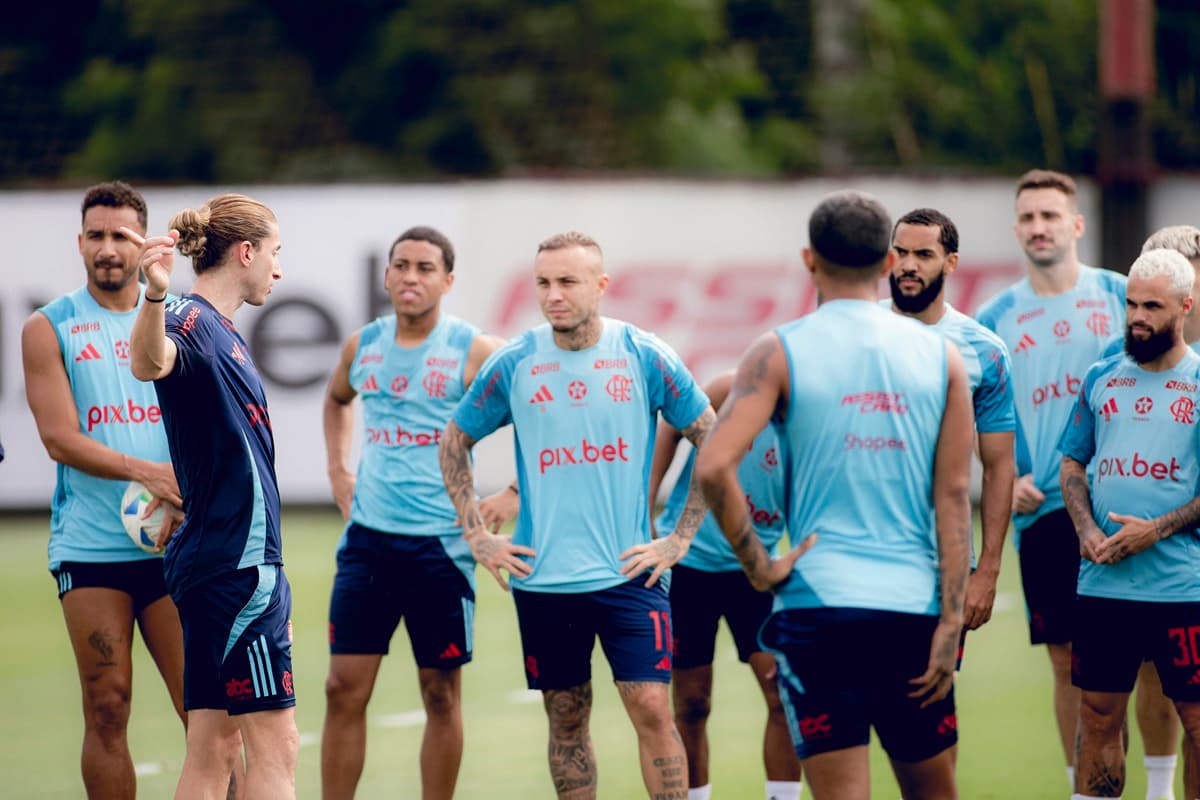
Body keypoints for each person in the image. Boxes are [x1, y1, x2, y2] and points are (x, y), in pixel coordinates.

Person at [696, 190, 974, 800]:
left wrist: (762, 567)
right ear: (885, 264)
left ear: (808, 259)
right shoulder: (944, 357)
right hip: (914, 610)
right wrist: (951, 619)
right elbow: (954, 496)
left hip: (819, 609)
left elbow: (713, 468)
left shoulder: (775, 350)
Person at [439, 231, 716, 800]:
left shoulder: (644, 354)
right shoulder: (514, 362)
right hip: (543, 578)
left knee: (652, 708)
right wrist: (477, 536)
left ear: (600, 285)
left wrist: (679, 538)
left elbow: (713, 436)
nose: (553, 294)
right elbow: (454, 440)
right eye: (543, 282)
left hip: (630, 573)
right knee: (566, 719)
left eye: (567, 281)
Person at [973, 170, 1174, 794]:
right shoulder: (992, 318)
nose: (1039, 228)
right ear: (1016, 229)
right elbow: (983, 416)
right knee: (1068, 663)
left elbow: (1166, 383)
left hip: (1125, 503)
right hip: (1044, 512)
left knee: (1149, 661)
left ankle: (1161, 788)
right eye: (1028, 218)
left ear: (1076, 224)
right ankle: (1080, 785)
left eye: (1051, 216)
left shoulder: (1125, 295)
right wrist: (1009, 479)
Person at [320, 226, 510, 799]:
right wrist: (338, 470)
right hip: (368, 544)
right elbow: (336, 400)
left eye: (425, 268)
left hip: (441, 548)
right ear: (386, 276)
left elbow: (538, 415)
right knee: (342, 689)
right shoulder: (363, 345)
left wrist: (515, 494)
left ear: (448, 281)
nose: (410, 277)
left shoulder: (475, 350)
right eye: (401, 266)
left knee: (439, 693)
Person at [21, 181, 191, 799]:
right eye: (97, 235)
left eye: (122, 235)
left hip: (179, 546)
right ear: (80, 243)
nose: (108, 248)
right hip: (91, 549)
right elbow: (60, 439)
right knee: (107, 706)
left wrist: (185, 490)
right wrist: (146, 472)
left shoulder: (183, 323)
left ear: (145, 244)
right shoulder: (49, 327)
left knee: (204, 713)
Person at [126, 193, 297, 799]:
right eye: (275, 253)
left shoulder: (218, 330)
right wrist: (150, 293)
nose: (279, 269)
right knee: (276, 750)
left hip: (216, 562)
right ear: (245, 252)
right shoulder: (188, 319)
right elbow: (148, 362)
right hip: (239, 570)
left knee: (213, 748)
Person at [1059, 249, 1200, 800]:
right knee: (1097, 717)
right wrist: (1086, 532)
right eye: (1131, 304)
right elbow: (1072, 461)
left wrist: (1157, 529)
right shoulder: (1101, 375)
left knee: (1197, 724)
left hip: (1183, 586)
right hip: (1104, 585)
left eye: (1153, 307)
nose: (1137, 317)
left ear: (1184, 308)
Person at [649, 372, 802, 800]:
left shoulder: (822, 416)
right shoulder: (732, 388)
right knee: (692, 703)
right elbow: (670, 429)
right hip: (689, 567)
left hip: (756, 570)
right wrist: (647, 506)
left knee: (783, 692)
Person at [887, 208, 1016, 641]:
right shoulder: (860, 334)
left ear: (951, 262)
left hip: (942, 564)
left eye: (923, 254)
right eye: (900, 252)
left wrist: (988, 570)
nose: (907, 264)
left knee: (926, 701)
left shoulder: (984, 350)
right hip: (859, 560)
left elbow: (999, 466)